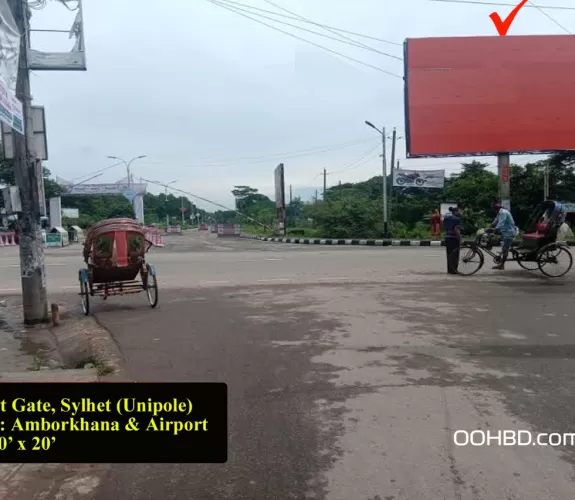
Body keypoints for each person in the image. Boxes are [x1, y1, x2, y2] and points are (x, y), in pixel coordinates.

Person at [486, 203, 516, 270]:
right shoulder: (499, 213)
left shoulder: (503, 213)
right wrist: (489, 227)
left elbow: (501, 223)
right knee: (493, 238)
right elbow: (495, 221)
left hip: (509, 232)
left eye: (493, 209)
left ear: (496, 209)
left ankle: (502, 265)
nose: (493, 211)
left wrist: (493, 229)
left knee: (505, 249)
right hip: (504, 232)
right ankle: (491, 246)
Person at [443, 206, 462, 274]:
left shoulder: (446, 218)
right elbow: (457, 229)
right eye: (459, 211)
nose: (460, 212)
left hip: (447, 237)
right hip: (454, 238)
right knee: (455, 255)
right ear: (455, 212)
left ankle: (450, 270)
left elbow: (444, 226)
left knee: (449, 254)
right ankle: (454, 270)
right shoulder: (457, 219)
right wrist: (460, 238)